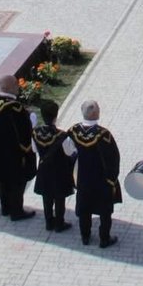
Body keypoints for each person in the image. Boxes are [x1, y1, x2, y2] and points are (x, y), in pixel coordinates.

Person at [68, 99, 121, 248]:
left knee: (84, 208)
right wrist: (112, 178)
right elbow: (113, 158)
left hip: (83, 178)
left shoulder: (73, 131)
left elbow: (69, 151)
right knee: (104, 211)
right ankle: (104, 238)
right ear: (96, 113)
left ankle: (85, 236)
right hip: (101, 180)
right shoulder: (104, 135)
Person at [0, 75, 38, 222]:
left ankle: (6, 208)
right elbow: (24, 131)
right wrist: (31, 121)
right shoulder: (15, 108)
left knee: (5, 180)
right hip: (14, 153)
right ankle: (17, 211)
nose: (18, 87)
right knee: (17, 182)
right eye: (16, 85)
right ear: (11, 87)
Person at [31, 99, 72, 232]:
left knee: (46, 197)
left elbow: (34, 150)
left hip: (44, 169)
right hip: (59, 170)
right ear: (55, 116)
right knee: (60, 198)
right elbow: (69, 152)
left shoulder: (35, 133)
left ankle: (49, 222)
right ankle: (60, 223)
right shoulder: (62, 135)